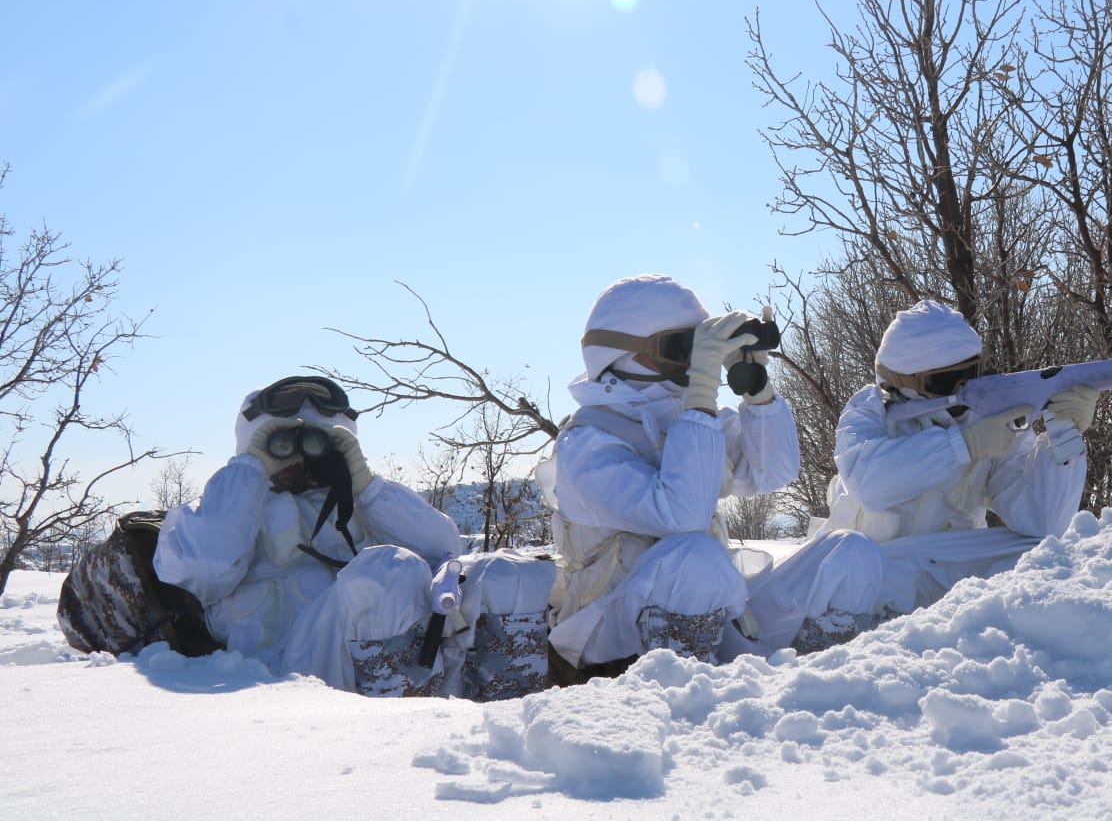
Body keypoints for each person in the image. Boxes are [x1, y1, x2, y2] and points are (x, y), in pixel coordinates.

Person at [543, 274, 884, 678]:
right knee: (694, 556)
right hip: (609, 630)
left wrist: (757, 391)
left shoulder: (685, 416)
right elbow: (682, 515)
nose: (694, 362)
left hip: (713, 612)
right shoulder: (586, 443)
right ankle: (685, 698)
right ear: (622, 354)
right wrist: (702, 391)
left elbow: (773, 471)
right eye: (682, 348)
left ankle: (818, 683)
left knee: (848, 552)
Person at [150, 376, 555, 700]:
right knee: (386, 571)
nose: (299, 456)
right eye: (281, 442)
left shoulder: (356, 502)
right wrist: (250, 471)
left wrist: (363, 484)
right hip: (287, 673)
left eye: (314, 442)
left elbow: (442, 545)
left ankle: (507, 709)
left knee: (503, 572)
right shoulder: (221, 508)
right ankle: (395, 730)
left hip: (388, 657)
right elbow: (206, 569)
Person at [817, 299, 1098, 615]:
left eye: (973, 373)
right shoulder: (868, 411)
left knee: (1040, 555)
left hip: (945, 576)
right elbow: (867, 483)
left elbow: (1043, 522)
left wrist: (1063, 433)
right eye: (948, 380)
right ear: (903, 380)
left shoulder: (988, 420)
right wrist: (962, 445)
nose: (965, 388)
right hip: (870, 576)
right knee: (853, 557)